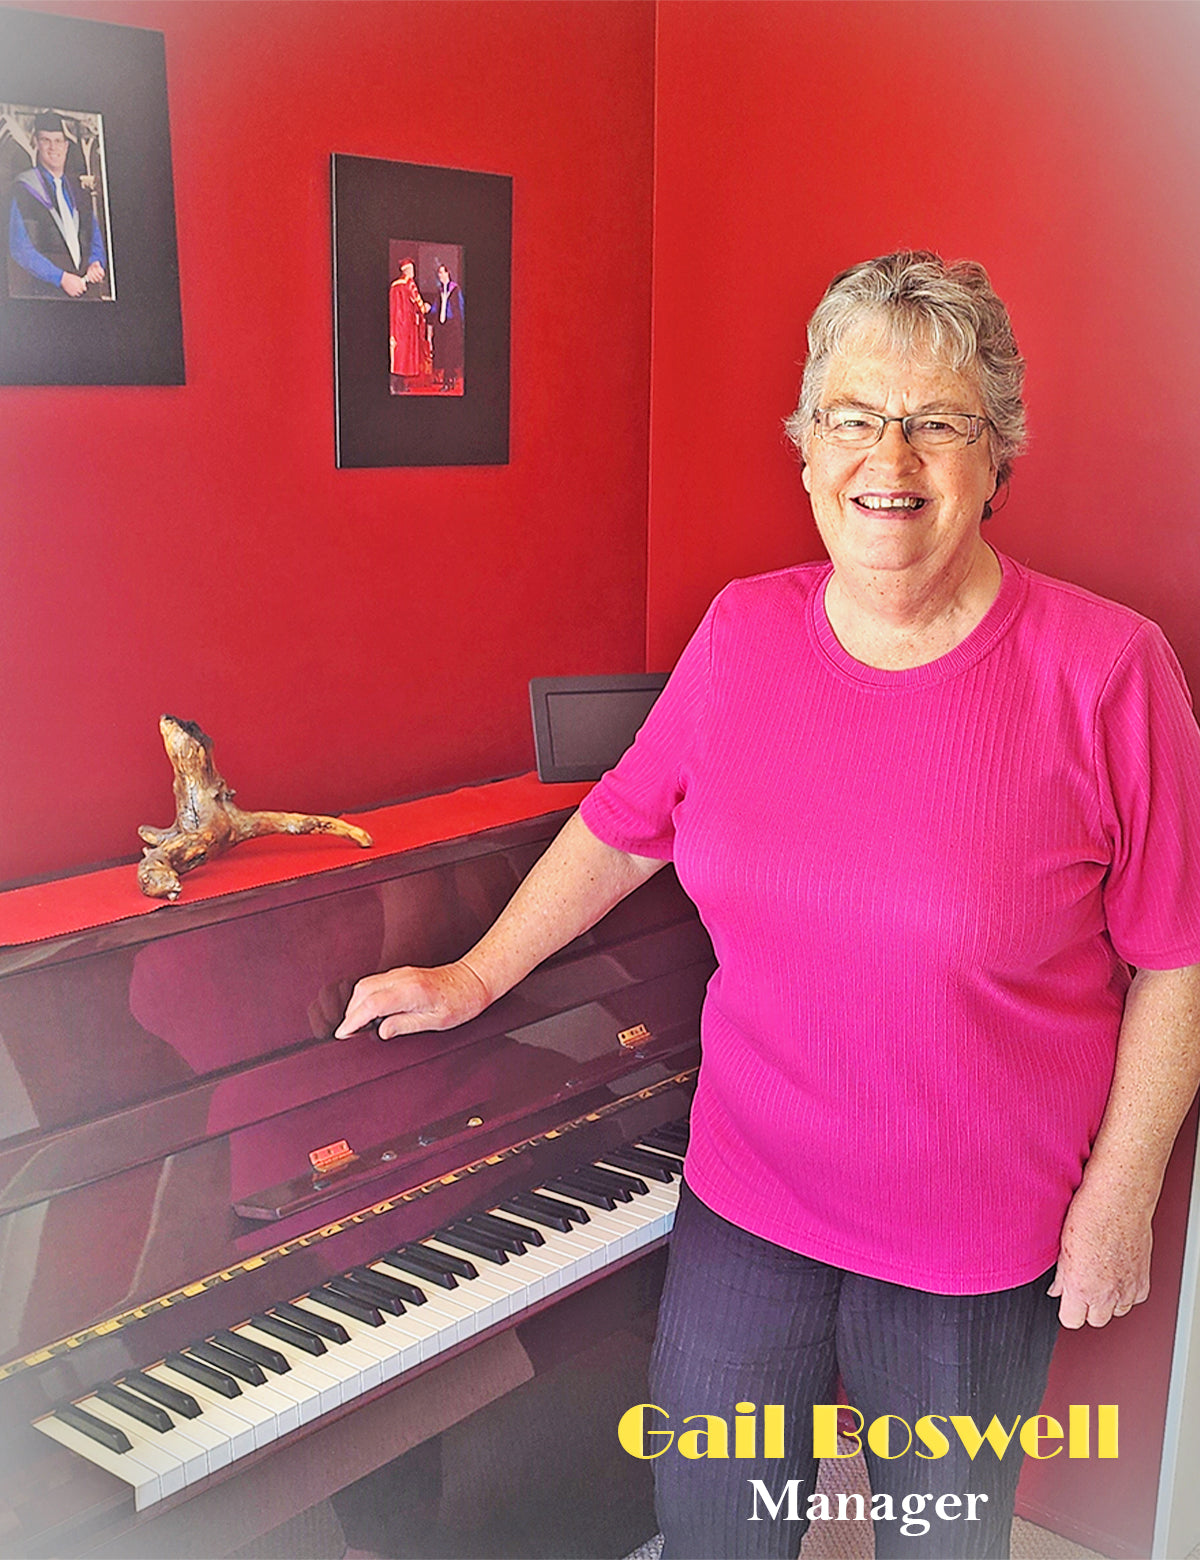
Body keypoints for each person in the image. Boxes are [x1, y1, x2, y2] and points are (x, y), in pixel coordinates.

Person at [336, 252, 1200, 1558]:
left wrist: (1122, 1193)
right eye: (852, 417)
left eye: (936, 421)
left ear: (995, 458)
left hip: (974, 1241)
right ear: (806, 450)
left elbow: (1177, 956)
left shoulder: (1107, 671)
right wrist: (469, 977)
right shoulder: (743, 635)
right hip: (751, 1201)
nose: (888, 456)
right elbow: (622, 832)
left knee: (936, 1542)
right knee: (718, 1528)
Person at [7, 110, 106, 299]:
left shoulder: (78, 190)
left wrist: (96, 262)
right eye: (46, 140)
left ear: (66, 146)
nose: (53, 148)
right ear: (36, 143)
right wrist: (60, 278)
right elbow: (20, 248)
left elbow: (95, 238)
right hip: (47, 295)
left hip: (85, 292)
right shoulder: (24, 189)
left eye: (58, 141)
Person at [389, 258, 430, 389]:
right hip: (406, 323)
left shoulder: (394, 284)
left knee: (397, 353)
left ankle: (396, 384)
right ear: (407, 270)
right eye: (412, 269)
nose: (414, 272)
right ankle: (398, 385)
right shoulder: (409, 283)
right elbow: (417, 300)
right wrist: (425, 308)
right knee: (405, 354)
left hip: (395, 322)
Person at [430, 262, 464, 391]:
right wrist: (425, 308)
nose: (440, 275)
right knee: (444, 353)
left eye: (442, 272)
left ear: (448, 273)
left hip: (453, 326)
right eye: (438, 273)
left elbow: (461, 307)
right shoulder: (440, 291)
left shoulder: (455, 289)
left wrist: (461, 325)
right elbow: (435, 308)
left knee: (450, 354)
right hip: (442, 326)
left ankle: (447, 382)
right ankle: (452, 376)